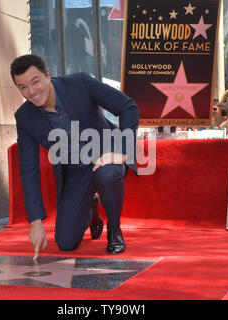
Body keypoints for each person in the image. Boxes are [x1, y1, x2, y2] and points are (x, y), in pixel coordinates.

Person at [10, 54, 139, 258]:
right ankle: (92, 209)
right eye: (23, 87)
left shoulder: (80, 83)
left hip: (105, 154)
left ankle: (114, 231)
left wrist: (122, 152)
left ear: (47, 75)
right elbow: (28, 171)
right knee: (66, 243)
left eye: (35, 82)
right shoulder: (24, 117)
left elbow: (128, 107)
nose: (32, 91)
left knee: (106, 174)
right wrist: (35, 223)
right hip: (75, 171)